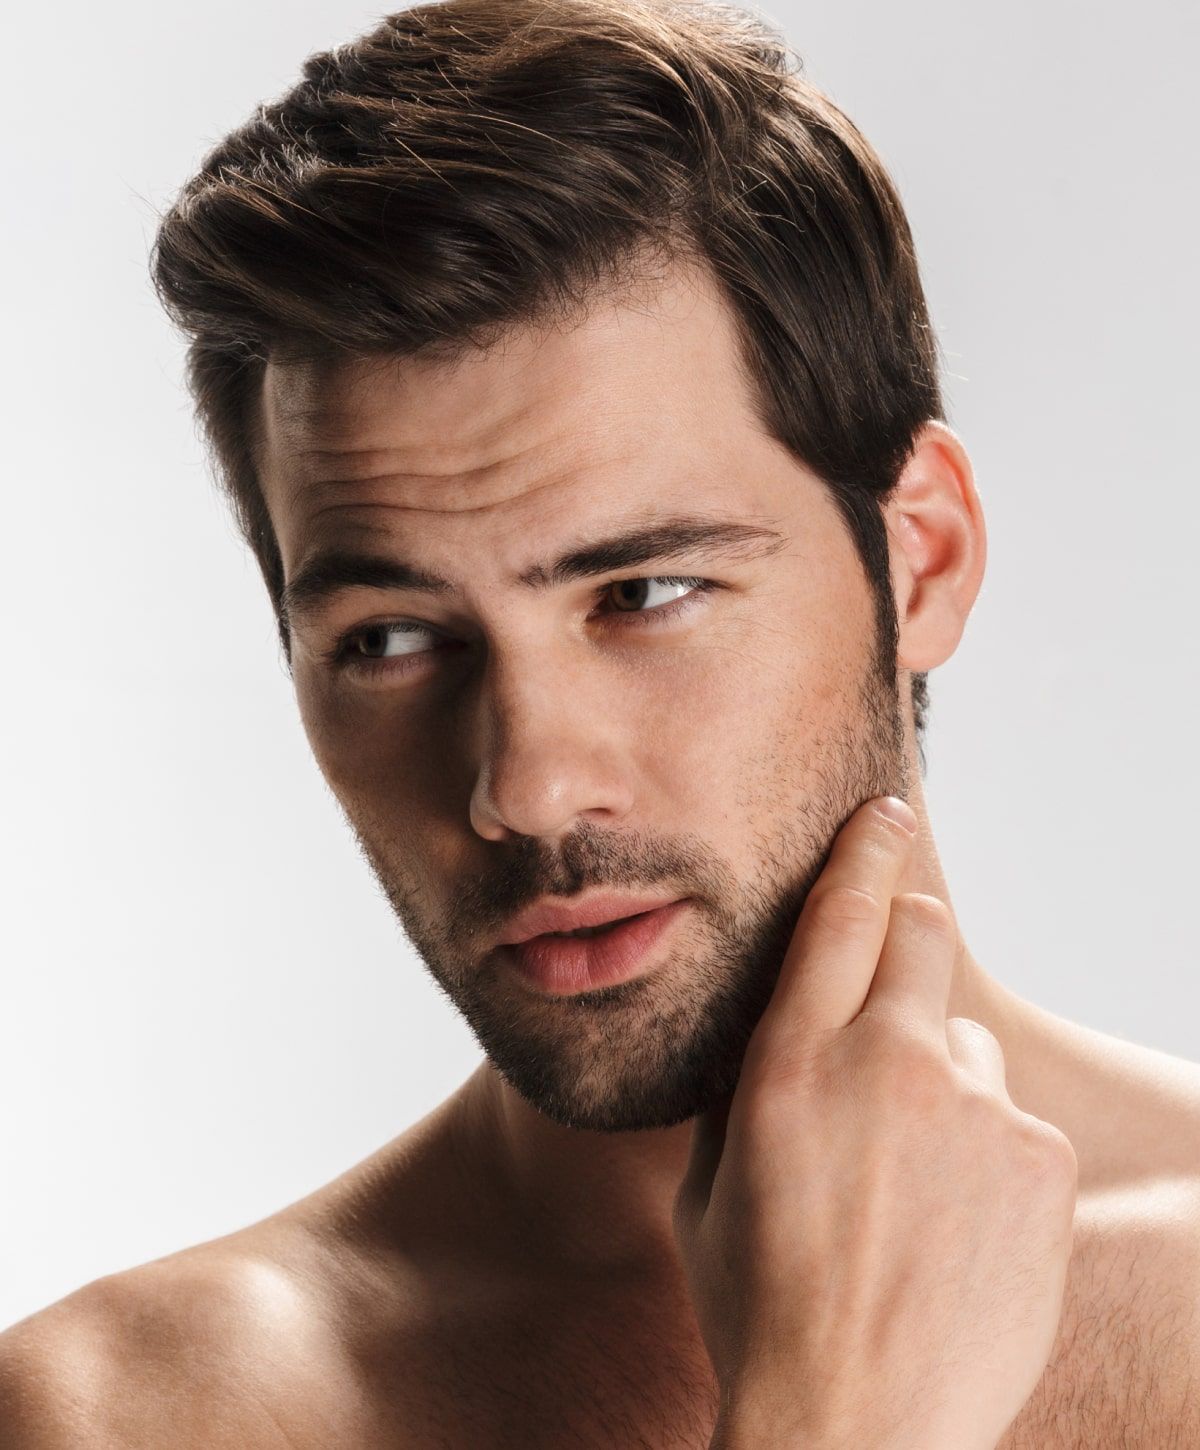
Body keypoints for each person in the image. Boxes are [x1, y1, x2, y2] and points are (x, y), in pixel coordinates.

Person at [2, 0, 1198, 1444]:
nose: (527, 783)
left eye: (644, 593)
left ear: (921, 560)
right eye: (389, 639)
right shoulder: (123, 1418)